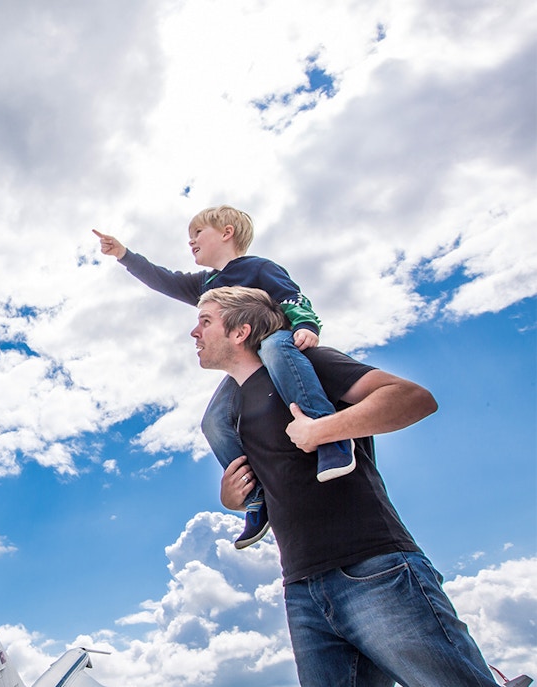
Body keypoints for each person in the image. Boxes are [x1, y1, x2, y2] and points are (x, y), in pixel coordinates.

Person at [194, 285, 495, 686]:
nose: (194, 333)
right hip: (301, 590)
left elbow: (412, 398)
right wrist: (234, 497)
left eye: (205, 322)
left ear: (240, 331)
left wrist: (324, 429)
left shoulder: (307, 365)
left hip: (375, 570)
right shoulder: (229, 412)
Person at [94, 206, 353, 549]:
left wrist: (305, 325)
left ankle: (330, 439)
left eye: (198, 234)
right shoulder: (206, 284)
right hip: (243, 363)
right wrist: (124, 255)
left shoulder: (258, 267)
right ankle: (257, 493)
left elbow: (292, 296)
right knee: (214, 422)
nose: (191, 241)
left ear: (227, 233)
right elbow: (165, 280)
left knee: (275, 347)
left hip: (273, 341)